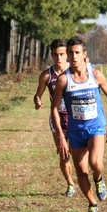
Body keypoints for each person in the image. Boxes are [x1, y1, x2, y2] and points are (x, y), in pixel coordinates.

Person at [51, 36, 107, 212]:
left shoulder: (95, 75)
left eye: (77, 52)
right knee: (81, 172)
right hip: (75, 131)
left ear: (84, 54)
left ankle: (99, 179)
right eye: (70, 52)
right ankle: (92, 203)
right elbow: (54, 108)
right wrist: (61, 137)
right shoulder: (64, 80)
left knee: (95, 163)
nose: (73, 56)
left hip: (95, 127)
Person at [33, 39, 75, 197]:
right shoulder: (46, 75)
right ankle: (70, 184)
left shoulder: (74, 70)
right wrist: (37, 100)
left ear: (67, 55)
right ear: (51, 55)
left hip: (76, 119)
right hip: (58, 120)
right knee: (63, 153)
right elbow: (38, 95)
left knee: (78, 153)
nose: (59, 58)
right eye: (56, 55)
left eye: (62, 54)